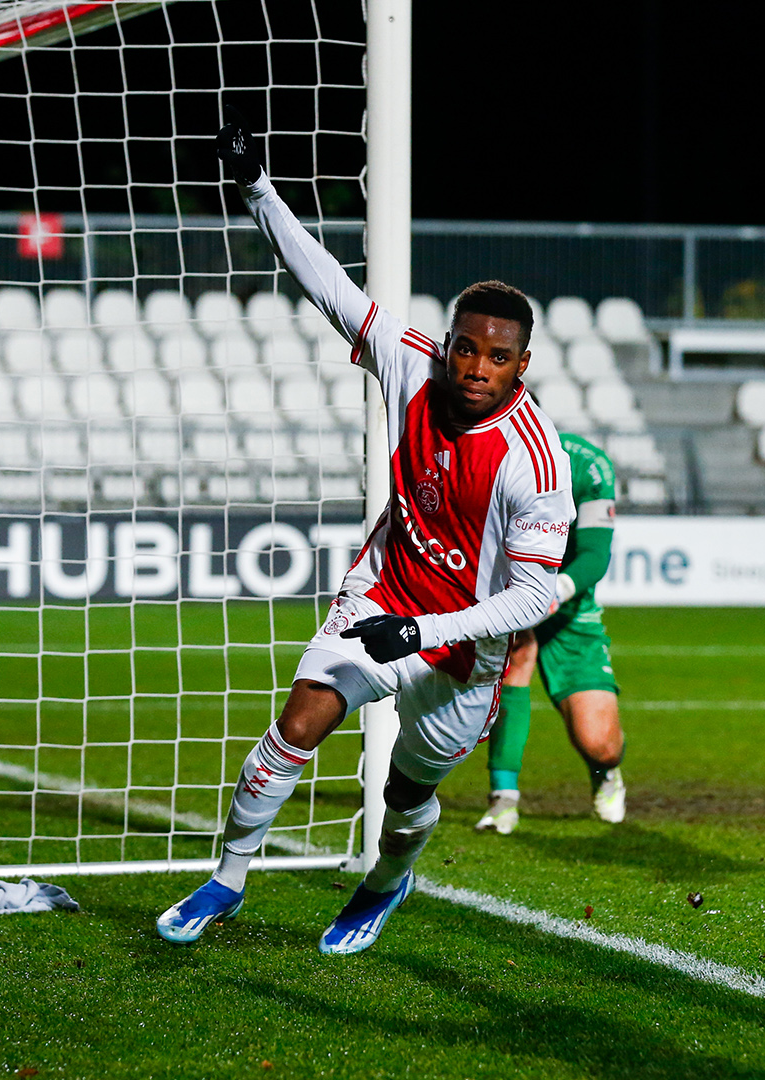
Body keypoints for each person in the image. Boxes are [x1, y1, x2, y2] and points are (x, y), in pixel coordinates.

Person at [156, 117, 574, 955]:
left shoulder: (535, 465)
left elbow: (534, 595)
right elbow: (326, 286)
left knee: (405, 789)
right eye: (465, 348)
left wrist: (422, 632)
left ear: (520, 366)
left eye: (496, 358)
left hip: (459, 648)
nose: (474, 367)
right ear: (450, 342)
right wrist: (257, 190)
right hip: (381, 592)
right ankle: (228, 878)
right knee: (298, 725)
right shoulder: (410, 362)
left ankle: (385, 882)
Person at [474, 431, 626, 833]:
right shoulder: (482, 457)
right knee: (514, 660)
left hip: (569, 605)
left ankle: (606, 773)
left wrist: (555, 592)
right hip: (509, 591)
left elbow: (595, 554)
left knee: (601, 744)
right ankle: (503, 799)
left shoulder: (588, 466)